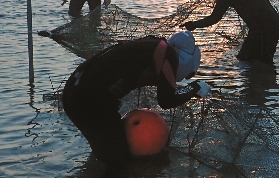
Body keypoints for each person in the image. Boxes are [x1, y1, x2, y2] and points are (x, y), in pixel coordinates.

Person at [61, 31, 210, 167]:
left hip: (72, 93)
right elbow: (167, 100)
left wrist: (187, 91)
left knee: (106, 156)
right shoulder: (168, 53)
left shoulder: (152, 47)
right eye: (189, 74)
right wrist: (195, 87)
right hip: (90, 99)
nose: (183, 78)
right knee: (119, 162)